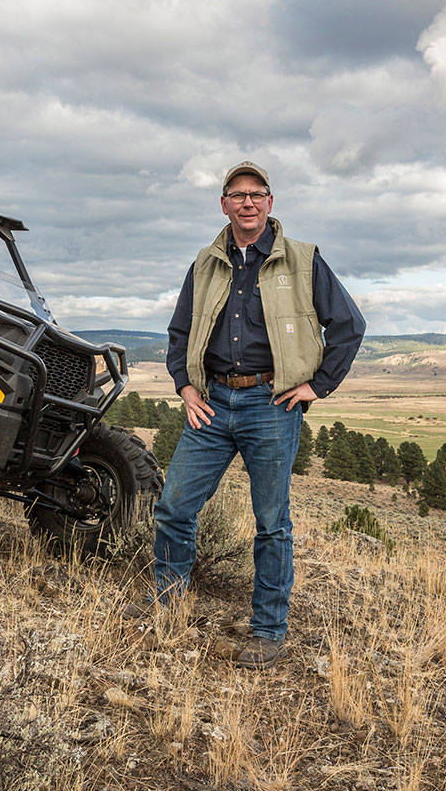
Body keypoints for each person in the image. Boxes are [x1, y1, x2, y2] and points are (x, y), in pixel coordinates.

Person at [129, 160, 365, 669]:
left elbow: (348, 325)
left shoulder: (302, 261)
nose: (248, 202)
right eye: (238, 195)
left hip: (270, 405)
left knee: (271, 522)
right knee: (173, 507)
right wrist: (186, 387)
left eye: (257, 194)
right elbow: (179, 332)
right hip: (212, 404)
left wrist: (316, 386)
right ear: (224, 204)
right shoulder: (207, 263)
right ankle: (169, 607)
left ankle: (268, 630)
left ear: (270, 203)